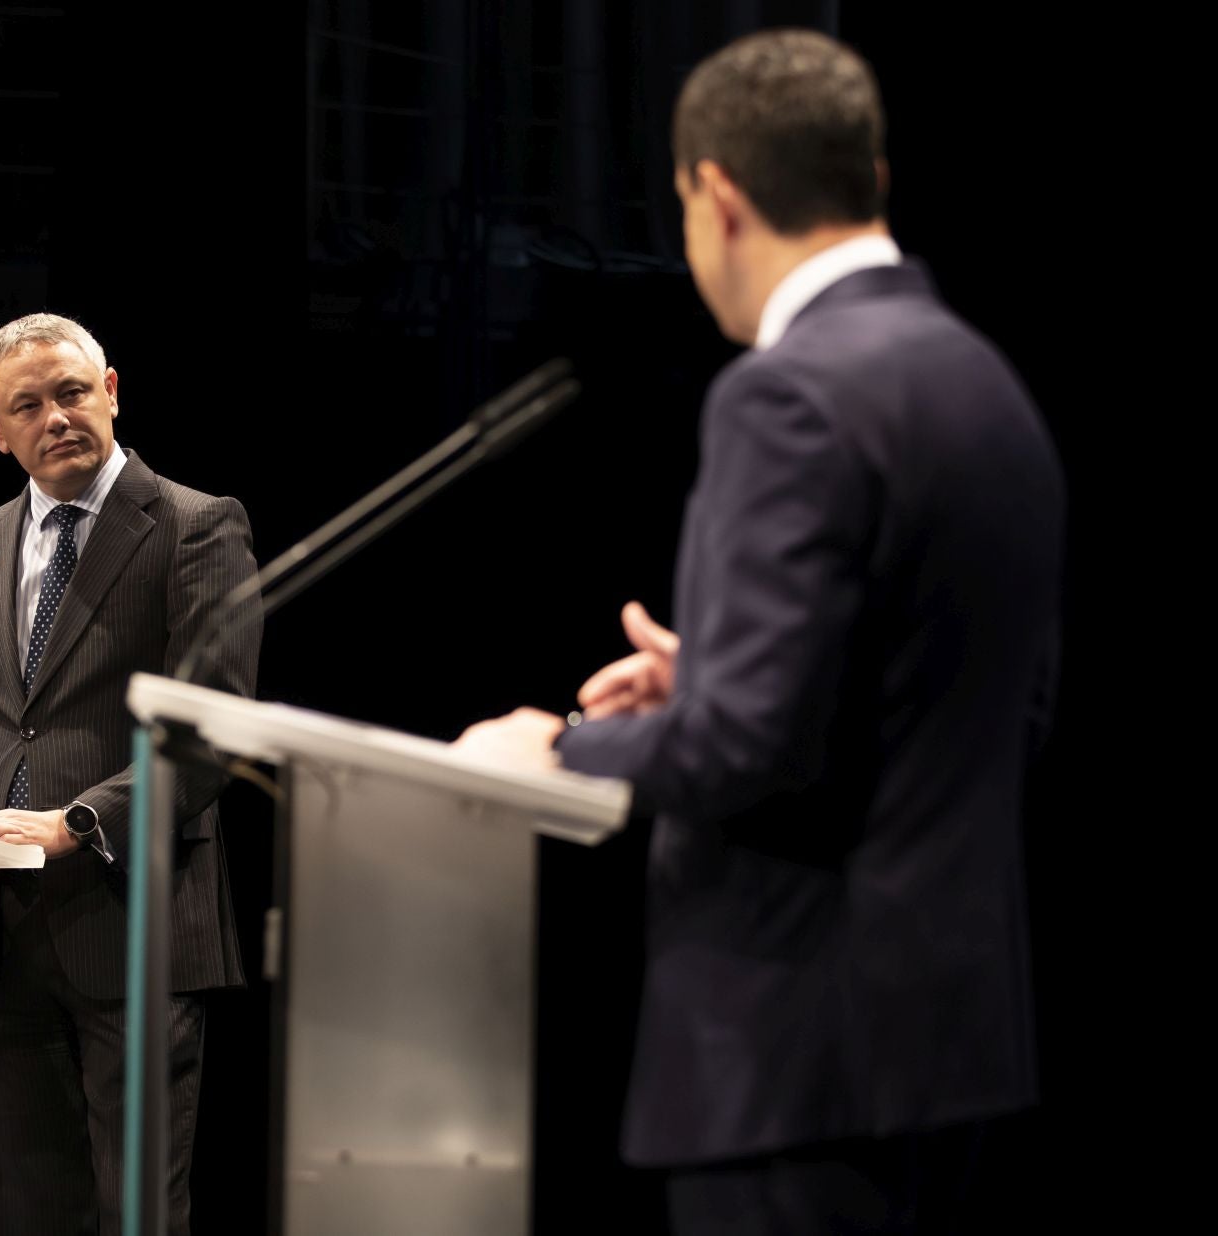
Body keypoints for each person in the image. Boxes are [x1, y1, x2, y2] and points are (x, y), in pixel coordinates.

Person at [455, 29, 1063, 1234]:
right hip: (952, 1055)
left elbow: (747, 750)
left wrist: (561, 750)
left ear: (718, 196)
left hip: (798, 1048)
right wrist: (724, 683)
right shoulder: (985, 382)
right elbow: (993, 705)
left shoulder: (784, 393)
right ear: (870, 178)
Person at [0, 313, 260, 1235]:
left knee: (136, 1212)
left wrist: (78, 823)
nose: (55, 417)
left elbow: (210, 729)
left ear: (112, 393)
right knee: (27, 1213)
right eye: (28, 405)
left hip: (133, 923)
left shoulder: (194, 526)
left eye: (72, 393)